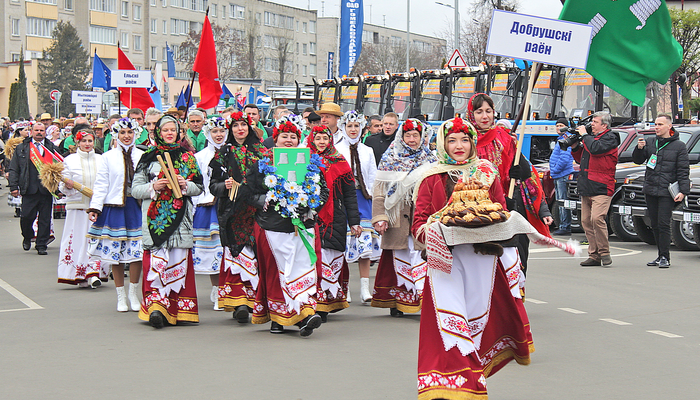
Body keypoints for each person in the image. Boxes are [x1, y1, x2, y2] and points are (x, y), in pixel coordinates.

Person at [412, 117, 533, 399]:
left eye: (465, 140)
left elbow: (499, 210)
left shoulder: (486, 173)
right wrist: (434, 230)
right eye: (452, 140)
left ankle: (473, 371)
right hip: (445, 260)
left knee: (478, 317)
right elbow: (417, 224)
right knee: (450, 320)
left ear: (473, 143)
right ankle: (454, 383)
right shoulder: (430, 176)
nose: (458, 146)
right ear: (442, 144)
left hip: (483, 257)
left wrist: (502, 220)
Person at [241, 123, 328, 336]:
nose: (289, 140)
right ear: (276, 139)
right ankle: (277, 318)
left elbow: (323, 190)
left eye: (293, 137)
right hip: (272, 228)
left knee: (303, 270)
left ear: (299, 140)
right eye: (284, 137)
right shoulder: (262, 163)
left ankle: (306, 313)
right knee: (276, 273)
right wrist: (262, 199)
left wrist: (312, 205)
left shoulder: (311, 164)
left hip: (303, 227)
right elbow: (247, 192)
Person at [466, 93, 552, 275]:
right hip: (478, 211)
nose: (485, 116)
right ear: (471, 114)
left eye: (488, 111)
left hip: (511, 206)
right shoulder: (465, 140)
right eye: (479, 111)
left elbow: (528, 175)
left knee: (516, 260)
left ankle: (516, 299)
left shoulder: (504, 137)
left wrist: (518, 165)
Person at [132, 115, 204, 328]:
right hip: (155, 222)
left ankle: (179, 310)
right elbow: (135, 189)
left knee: (177, 262)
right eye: (166, 130)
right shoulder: (148, 157)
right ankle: (156, 308)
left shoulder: (188, 158)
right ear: (158, 133)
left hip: (181, 222)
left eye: (174, 130)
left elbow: (199, 187)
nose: (170, 133)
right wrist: (153, 187)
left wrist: (185, 185)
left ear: (180, 133)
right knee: (156, 263)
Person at [371, 118, 437, 316]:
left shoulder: (431, 160)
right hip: (396, 217)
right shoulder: (390, 157)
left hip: (421, 217)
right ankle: (399, 301)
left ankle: (423, 300)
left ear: (422, 137)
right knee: (399, 257)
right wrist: (380, 216)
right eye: (407, 135)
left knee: (421, 258)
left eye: (415, 135)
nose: (411, 139)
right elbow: (379, 190)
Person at [209, 111, 270, 322]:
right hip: (232, 212)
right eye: (235, 126)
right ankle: (239, 302)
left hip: (257, 211)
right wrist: (223, 186)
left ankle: (258, 300)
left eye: (243, 125)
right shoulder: (223, 153)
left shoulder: (262, 152)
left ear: (250, 127)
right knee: (237, 256)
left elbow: (271, 179)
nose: (240, 129)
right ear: (230, 129)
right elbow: (212, 185)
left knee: (257, 254)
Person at [87, 118, 144, 311]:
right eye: (122, 133)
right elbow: (101, 184)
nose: (126, 136)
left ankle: (133, 293)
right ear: (116, 135)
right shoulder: (108, 157)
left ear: (135, 133)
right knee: (115, 254)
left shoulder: (143, 155)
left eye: (130, 132)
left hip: (136, 208)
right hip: (115, 208)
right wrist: (95, 207)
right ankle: (120, 295)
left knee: (136, 253)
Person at [308, 125, 361, 320]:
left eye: (324, 138)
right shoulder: (304, 160)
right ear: (311, 139)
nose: (321, 142)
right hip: (310, 216)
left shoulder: (340, 162)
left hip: (335, 217)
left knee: (330, 256)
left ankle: (327, 301)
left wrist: (354, 221)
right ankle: (314, 301)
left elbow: (350, 195)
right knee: (314, 257)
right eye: (318, 138)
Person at [632, 114, 690, 268]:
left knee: (664, 223)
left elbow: (683, 171)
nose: (656, 127)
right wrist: (639, 149)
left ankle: (665, 256)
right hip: (650, 188)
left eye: (660, 124)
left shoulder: (679, 146)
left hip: (666, 190)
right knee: (655, 224)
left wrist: (683, 191)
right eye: (655, 124)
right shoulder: (651, 142)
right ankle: (659, 255)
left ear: (669, 126)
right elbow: (638, 160)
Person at [335, 111, 380, 303]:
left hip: (362, 198)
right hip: (343, 200)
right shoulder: (336, 149)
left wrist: (374, 199)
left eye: (356, 126)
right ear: (343, 128)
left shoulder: (367, 150)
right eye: (349, 126)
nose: (353, 130)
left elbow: (373, 177)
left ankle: (364, 288)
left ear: (361, 129)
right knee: (344, 246)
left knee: (364, 245)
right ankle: (344, 288)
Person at [57, 130, 108, 287]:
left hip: (98, 208)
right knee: (79, 241)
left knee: (96, 241)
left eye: (90, 141)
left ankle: (93, 273)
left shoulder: (101, 159)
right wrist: (68, 186)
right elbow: (61, 186)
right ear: (77, 142)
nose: (87, 144)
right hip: (78, 208)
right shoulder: (69, 160)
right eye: (84, 141)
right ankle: (79, 273)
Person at [571, 111, 620, 267]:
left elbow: (595, 149)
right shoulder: (591, 140)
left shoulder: (610, 139)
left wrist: (584, 135)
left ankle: (604, 253)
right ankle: (594, 255)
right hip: (587, 185)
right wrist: (574, 147)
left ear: (604, 125)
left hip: (602, 186)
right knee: (586, 221)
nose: (592, 124)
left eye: (595, 122)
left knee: (596, 218)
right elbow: (582, 159)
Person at [192, 116, 228, 311]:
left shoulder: (233, 152)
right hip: (208, 207)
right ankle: (216, 289)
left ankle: (228, 289)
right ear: (208, 134)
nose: (219, 134)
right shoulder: (200, 157)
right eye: (214, 131)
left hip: (229, 205)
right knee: (214, 252)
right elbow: (197, 185)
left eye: (222, 131)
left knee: (228, 250)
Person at [8, 122, 59, 255]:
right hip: (28, 189)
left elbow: (59, 168)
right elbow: (14, 168)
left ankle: (41, 244)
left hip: (46, 190)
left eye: (41, 130)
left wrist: (58, 188)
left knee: (45, 219)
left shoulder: (51, 147)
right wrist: (14, 186)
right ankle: (27, 235)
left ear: (45, 132)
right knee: (26, 217)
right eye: (36, 130)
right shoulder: (22, 148)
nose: (39, 133)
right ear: (31, 131)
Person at [550, 118, 575, 235]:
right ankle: (562, 225)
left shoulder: (566, 140)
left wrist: (555, 169)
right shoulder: (560, 139)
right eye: (557, 125)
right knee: (560, 201)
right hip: (558, 174)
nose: (558, 127)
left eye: (561, 125)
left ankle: (565, 227)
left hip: (562, 174)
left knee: (563, 201)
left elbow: (565, 158)